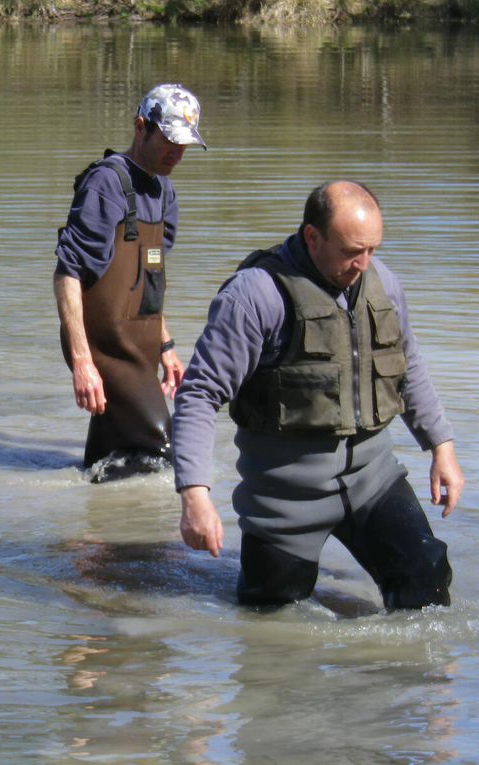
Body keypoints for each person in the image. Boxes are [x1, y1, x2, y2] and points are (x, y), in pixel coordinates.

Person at [173, 180, 464, 609]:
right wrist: (195, 496)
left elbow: (408, 366)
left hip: (373, 479)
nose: (364, 264)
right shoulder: (255, 295)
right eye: (352, 251)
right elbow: (198, 394)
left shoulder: (381, 283)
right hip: (284, 499)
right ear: (313, 237)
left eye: (373, 249)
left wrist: (442, 447)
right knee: (271, 625)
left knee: (428, 582)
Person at [53, 83, 206, 481]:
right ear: (141, 127)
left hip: (141, 350)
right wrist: (83, 362)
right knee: (164, 448)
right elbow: (67, 274)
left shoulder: (164, 190)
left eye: (185, 145)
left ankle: (95, 538)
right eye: (170, 141)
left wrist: (166, 345)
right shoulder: (106, 185)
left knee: (107, 465)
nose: (177, 153)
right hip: (105, 351)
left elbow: (148, 282)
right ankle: (153, 541)